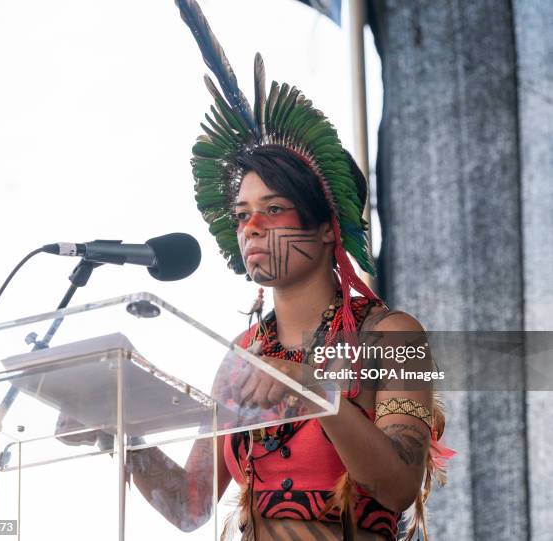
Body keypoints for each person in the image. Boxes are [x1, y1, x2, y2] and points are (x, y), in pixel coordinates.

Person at [129, 1, 456, 539]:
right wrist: (126, 433)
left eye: (273, 209)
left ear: (327, 227)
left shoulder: (391, 336)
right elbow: (190, 504)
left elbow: (398, 483)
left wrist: (313, 390)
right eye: (241, 215)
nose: (252, 226)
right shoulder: (243, 353)